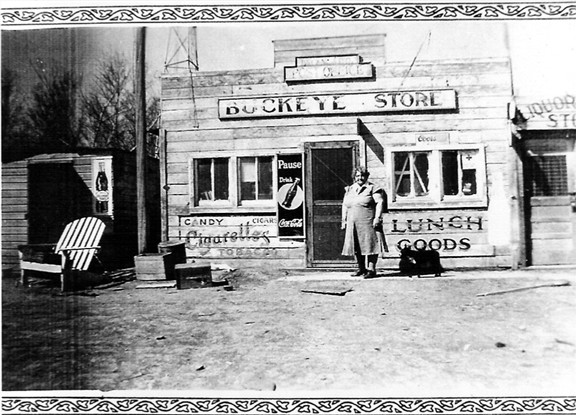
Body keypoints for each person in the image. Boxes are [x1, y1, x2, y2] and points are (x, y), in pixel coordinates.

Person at [341, 167, 388, 278]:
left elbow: (380, 202)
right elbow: (345, 205)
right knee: (356, 245)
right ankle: (361, 268)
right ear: (354, 177)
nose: (360, 178)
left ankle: (371, 270)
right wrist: (344, 220)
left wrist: (377, 218)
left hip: (368, 221)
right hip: (353, 222)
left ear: (367, 176)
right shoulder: (350, 189)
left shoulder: (372, 188)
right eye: (357, 176)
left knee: (370, 244)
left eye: (362, 175)